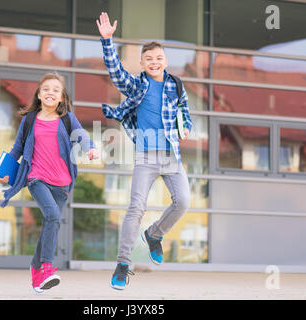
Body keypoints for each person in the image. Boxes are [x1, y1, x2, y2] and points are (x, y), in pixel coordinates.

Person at [96, 12, 193, 290]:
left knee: (183, 202)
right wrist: (107, 41)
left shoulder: (176, 86)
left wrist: (185, 126)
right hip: (146, 157)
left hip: (171, 156)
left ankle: (154, 235)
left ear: (165, 61)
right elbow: (115, 72)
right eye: (148, 59)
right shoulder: (137, 84)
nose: (154, 62)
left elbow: (184, 110)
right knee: (136, 208)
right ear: (142, 63)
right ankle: (123, 264)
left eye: (158, 58)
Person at [0, 72, 99, 294]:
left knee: (49, 225)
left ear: (61, 97)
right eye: (46, 89)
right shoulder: (30, 120)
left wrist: (90, 148)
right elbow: (17, 149)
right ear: (39, 94)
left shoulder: (67, 119)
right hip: (37, 179)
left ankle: (36, 272)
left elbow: (82, 135)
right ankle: (47, 268)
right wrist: (4, 172)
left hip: (62, 184)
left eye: (55, 90)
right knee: (52, 217)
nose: (50, 93)